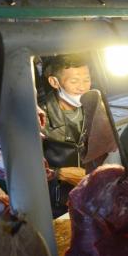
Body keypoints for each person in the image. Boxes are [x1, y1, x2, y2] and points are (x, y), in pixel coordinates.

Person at [40, 54, 94, 216]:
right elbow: (22, 167)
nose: (83, 87)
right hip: (57, 202)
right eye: (75, 81)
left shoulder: (93, 106)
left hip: (91, 193)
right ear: (54, 82)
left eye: (86, 80)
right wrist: (60, 173)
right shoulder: (40, 117)